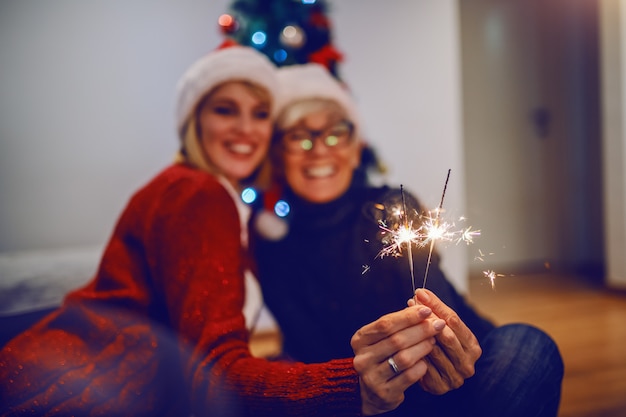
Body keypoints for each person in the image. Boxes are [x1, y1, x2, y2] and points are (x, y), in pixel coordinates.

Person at [0, 46, 445, 417]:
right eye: (225, 109)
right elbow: (215, 370)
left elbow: (195, 345)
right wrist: (350, 384)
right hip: (77, 390)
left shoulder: (223, 206)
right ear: (195, 120)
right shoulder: (199, 194)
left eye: (260, 113)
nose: (245, 129)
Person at [251, 63, 565, 417]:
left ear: (356, 150)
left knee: (527, 344)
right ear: (278, 155)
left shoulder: (391, 209)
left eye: (336, 133)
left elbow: (443, 323)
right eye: (299, 136)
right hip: (368, 400)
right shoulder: (270, 244)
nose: (320, 149)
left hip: (463, 377)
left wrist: (445, 349)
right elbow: (314, 355)